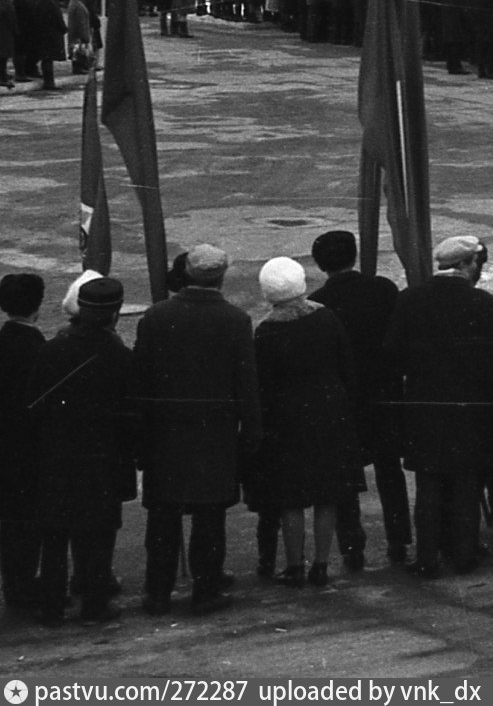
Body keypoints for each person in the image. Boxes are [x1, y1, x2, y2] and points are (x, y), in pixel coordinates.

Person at [134, 244, 260, 616]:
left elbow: (141, 383)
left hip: (165, 435)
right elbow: (246, 385)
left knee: (162, 517)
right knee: (209, 517)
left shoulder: (156, 317)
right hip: (214, 435)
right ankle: (206, 589)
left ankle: (157, 591)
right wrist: (251, 434)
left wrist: (139, 439)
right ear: (221, 277)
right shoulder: (235, 320)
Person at [385, 235, 493, 577]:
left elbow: (393, 353)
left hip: (424, 405)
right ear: (466, 264)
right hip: (469, 407)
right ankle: (464, 553)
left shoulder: (410, 300)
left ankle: (427, 557)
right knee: (466, 484)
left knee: (429, 485)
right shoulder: (481, 302)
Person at [29, 275, 138, 626]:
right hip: (103, 460)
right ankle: (94, 603)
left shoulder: (50, 351)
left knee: (55, 536)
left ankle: (51, 606)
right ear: (115, 313)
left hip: (56, 457)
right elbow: (130, 415)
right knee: (98, 536)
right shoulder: (122, 358)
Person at [252, 258, 362, 588]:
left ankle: (294, 564)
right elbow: (346, 365)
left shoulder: (267, 330)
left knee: (292, 498)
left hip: (287, 420)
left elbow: (263, 385)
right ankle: (322, 563)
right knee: (327, 494)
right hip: (330, 412)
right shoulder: (325, 317)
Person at [308, 231, 409, 570]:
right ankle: (398, 541)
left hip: (345, 399)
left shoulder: (318, 301)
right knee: (390, 471)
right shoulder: (383, 289)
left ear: (321, 264)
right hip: (384, 393)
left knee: (346, 477)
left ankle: (352, 546)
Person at [0, 273, 47, 615]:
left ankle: (15, 585)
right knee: (27, 527)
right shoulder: (38, 350)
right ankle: (23, 587)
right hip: (30, 453)